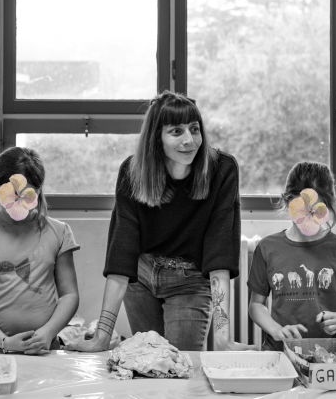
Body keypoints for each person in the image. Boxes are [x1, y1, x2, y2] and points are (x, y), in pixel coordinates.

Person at [68, 91, 252, 352]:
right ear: (156, 137)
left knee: (181, 364)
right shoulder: (132, 172)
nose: (190, 140)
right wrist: (101, 337)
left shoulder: (222, 169)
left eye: (194, 129)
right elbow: (122, 255)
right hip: (141, 279)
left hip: (190, 282)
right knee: (150, 361)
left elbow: (220, 254)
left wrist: (223, 339)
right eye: (176, 131)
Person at [0, 147, 80, 355]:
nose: (19, 201)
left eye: (27, 194)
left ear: (38, 190)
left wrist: (47, 333)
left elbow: (69, 294)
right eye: (13, 194)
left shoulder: (59, 232)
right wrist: (4, 342)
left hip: (42, 349)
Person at [248, 161, 336, 351]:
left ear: (328, 205)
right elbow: (256, 304)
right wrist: (276, 330)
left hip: (330, 352)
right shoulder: (266, 248)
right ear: (288, 202)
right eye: (303, 208)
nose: (308, 217)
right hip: (280, 351)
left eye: (315, 209)